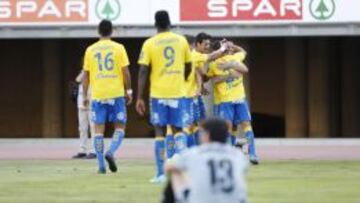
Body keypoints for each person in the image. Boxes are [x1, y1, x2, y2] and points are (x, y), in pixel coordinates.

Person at [136, 10, 192, 183]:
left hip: (158, 94)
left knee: (160, 131)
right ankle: (185, 171)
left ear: (155, 24)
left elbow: (144, 70)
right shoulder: (181, 40)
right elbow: (189, 65)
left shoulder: (149, 43)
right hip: (177, 92)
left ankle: (160, 174)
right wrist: (181, 79)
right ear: (170, 23)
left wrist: (139, 97)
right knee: (178, 130)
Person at [82, 20, 132, 174]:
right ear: (112, 31)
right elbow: (125, 72)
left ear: (98, 31)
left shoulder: (90, 50)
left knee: (98, 130)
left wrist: (85, 95)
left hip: (98, 94)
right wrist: (129, 90)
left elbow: (86, 75)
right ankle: (110, 152)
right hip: (116, 93)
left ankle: (101, 166)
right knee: (120, 126)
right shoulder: (119, 48)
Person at [164, 118, 249, 203]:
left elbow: (169, 167)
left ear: (207, 135)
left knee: (176, 173)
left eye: (202, 132)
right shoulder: (238, 155)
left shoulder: (194, 153)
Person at [207, 41, 259, 164]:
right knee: (235, 127)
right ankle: (240, 154)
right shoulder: (215, 64)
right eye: (227, 48)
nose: (230, 49)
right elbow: (211, 80)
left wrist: (233, 47)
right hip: (226, 100)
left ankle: (251, 154)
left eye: (230, 48)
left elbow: (243, 53)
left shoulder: (233, 58)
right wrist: (228, 74)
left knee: (241, 125)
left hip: (237, 99)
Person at [184, 33, 227, 147]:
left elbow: (199, 73)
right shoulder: (194, 55)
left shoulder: (196, 57)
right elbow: (212, 56)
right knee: (191, 124)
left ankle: (200, 147)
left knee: (200, 123)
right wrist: (223, 48)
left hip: (195, 95)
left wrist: (201, 87)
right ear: (197, 44)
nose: (207, 47)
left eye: (209, 44)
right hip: (189, 97)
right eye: (205, 44)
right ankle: (193, 149)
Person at [72, 70, 96, 159]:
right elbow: (77, 80)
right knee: (82, 128)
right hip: (81, 102)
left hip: (92, 100)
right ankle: (82, 150)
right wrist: (83, 71)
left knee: (93, 127)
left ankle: (94, 150)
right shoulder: (84, 72)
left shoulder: (95, 72)